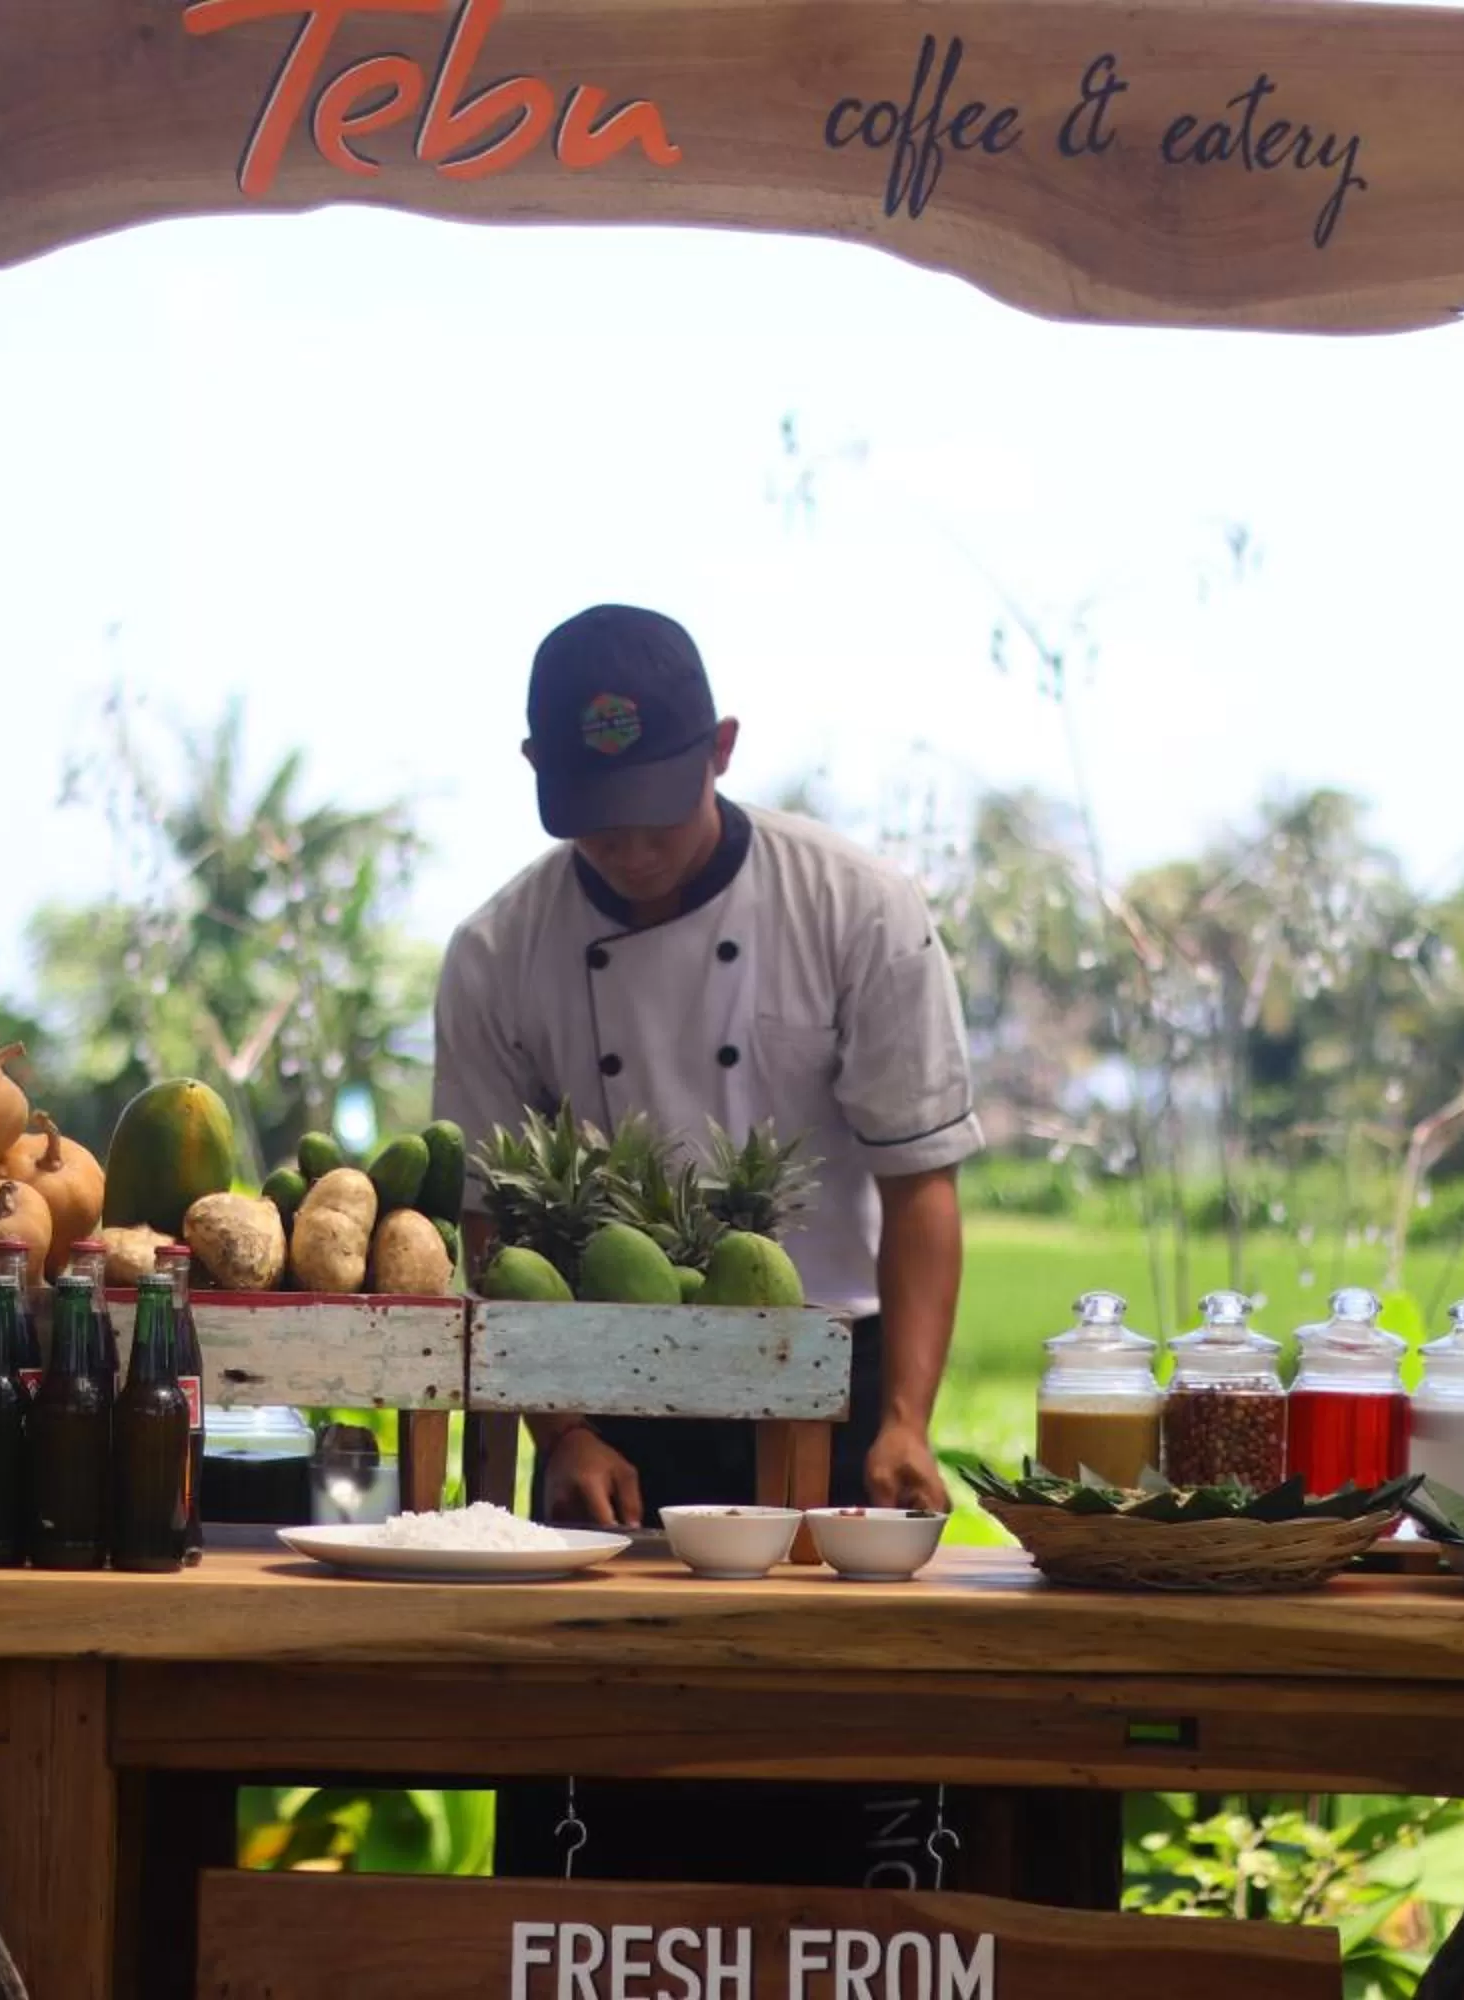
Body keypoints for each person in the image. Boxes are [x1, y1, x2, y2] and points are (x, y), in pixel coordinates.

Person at [434, 602, 986, 1887]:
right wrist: (562, 1431)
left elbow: (919, 1184)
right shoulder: (497, 953)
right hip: (604, 1408)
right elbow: (492, 1228)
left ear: (723, 748)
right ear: (536, 774)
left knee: (833, 1791)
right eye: (595, 818)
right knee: (600, 1802)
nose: (629, 847)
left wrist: (907, 1418)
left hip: (836, 1399)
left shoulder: (857, 906)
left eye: (656, 811)